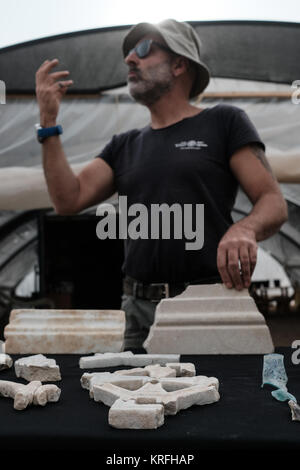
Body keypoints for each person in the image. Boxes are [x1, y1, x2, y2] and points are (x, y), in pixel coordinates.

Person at [35, 19, 288, 348]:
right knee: (134, 398)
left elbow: (273, 201)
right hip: (138, 312)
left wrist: (245, 229)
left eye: (143, 50)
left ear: (180, 64)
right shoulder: (124, 145)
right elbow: (68, 199)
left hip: (205, 304)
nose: (129, 59)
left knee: (217, 397)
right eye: (128, 53)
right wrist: (48, 123)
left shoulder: (223, 122)